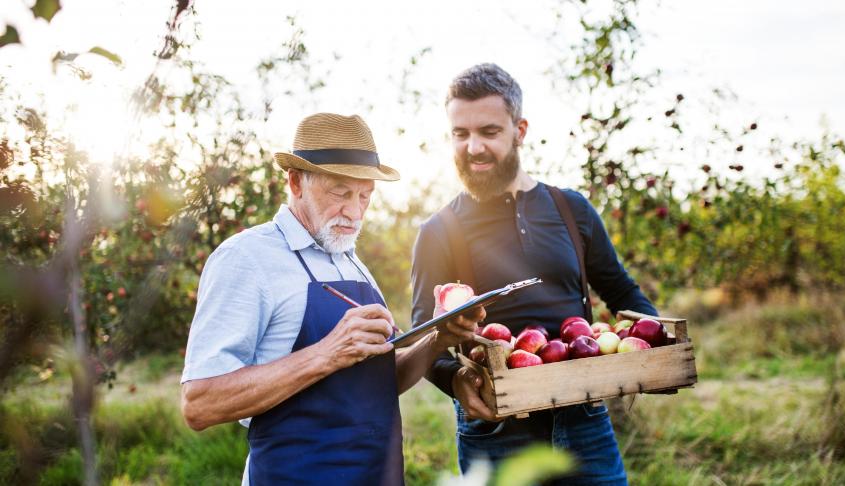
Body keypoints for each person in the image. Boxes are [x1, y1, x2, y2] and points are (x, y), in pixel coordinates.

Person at [181, 113, 483, 485]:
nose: (354, 212)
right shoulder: (246, 259)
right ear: (296, 181)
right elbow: (199, 403)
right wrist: (327, 354)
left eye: (364, 196)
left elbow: (380, 380)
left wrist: (438, 339)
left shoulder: (350, 260)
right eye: (340, 192)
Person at [411, 64, 658, 484]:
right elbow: (422, 333)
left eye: (489, 132)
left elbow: (622, 292)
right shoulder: (440, 231)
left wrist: (657, 339)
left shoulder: (571, 209)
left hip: (585, 417)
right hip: (496, 426)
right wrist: (455, 380)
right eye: (460, 133)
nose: (473, 147)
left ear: (519, 130)